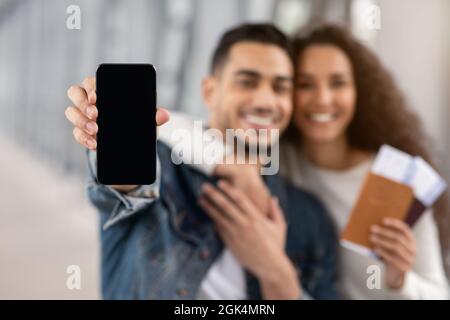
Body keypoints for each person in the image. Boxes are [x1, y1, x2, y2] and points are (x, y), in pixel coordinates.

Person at [163, 24, 449, 299]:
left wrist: (401, 281)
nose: (322, 99)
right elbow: (172, 124)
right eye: (305, 85)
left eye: (338, 83)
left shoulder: (397, 180)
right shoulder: (277, 156)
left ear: (359, 92)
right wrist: (235, 167)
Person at [64, 23, 338, 299]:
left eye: (280, 88)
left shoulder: (310, 219)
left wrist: (276, 272)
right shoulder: (162, 170)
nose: (265, 101)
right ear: (209, 91)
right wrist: (108, 134)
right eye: (247, 82)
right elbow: (120, 189)